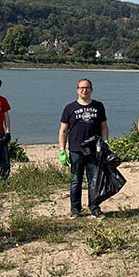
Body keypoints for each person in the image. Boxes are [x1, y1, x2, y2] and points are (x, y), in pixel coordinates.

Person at [59, 78, 109, 219]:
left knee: (94, 180)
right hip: (76, 150)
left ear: (91, 90)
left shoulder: (99, 106)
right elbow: (63, 130)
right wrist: (62, 150)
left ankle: (94, 207)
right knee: (76, 180)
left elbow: (104, 126)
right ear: (77, 90)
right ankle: (75, 209)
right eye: (81, 88)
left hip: (94, 150)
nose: (84, 90)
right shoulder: (69, 108)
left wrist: (105, 143)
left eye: (87, 88)